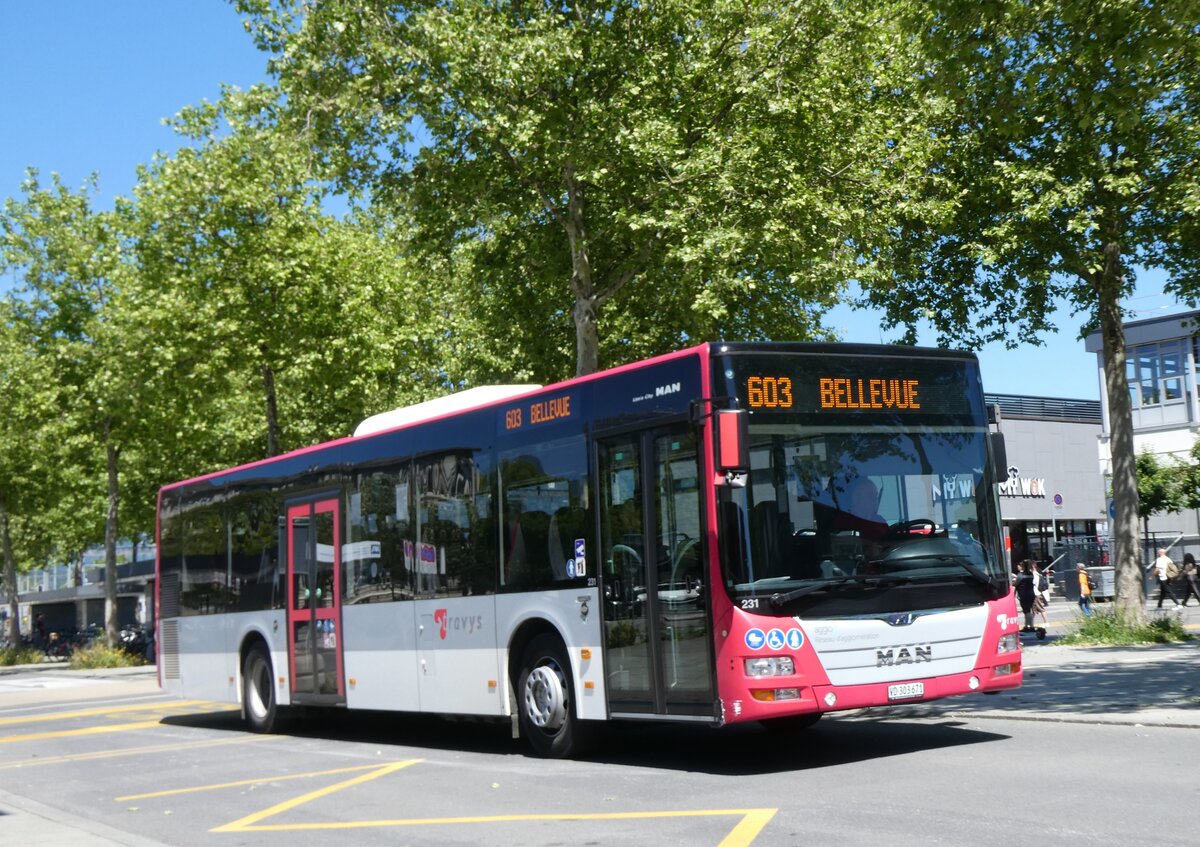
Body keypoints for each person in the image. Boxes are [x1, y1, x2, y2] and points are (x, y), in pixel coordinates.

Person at [1015, 560, 1037, 632]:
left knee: (1026, 611)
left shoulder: (1020, 575)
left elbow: (1016, 584)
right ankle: (1027, 625)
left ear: (1023, 566)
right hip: (1031, 593)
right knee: (1028, 610)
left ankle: (1030, 626)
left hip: (1024, 594)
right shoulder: (1031, 574)